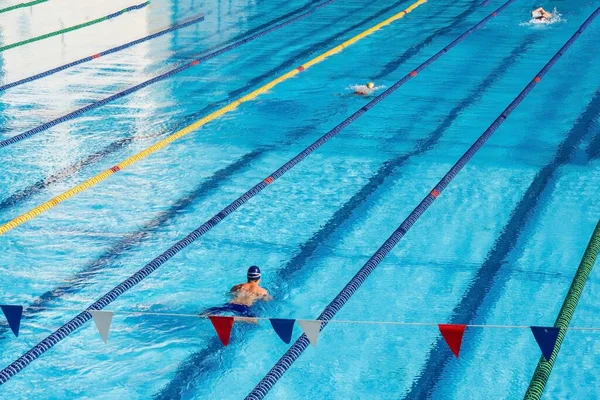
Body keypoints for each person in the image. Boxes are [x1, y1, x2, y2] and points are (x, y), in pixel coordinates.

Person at [203, 266, 271, 318]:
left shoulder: (237, 287)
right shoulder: (262, 291)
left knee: (207, 313)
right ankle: (235, 319)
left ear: (248, 277)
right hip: (243, 308)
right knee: (255, 321)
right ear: (259, 278)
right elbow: (267, 301)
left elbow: (229, 294)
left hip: (229, 305)